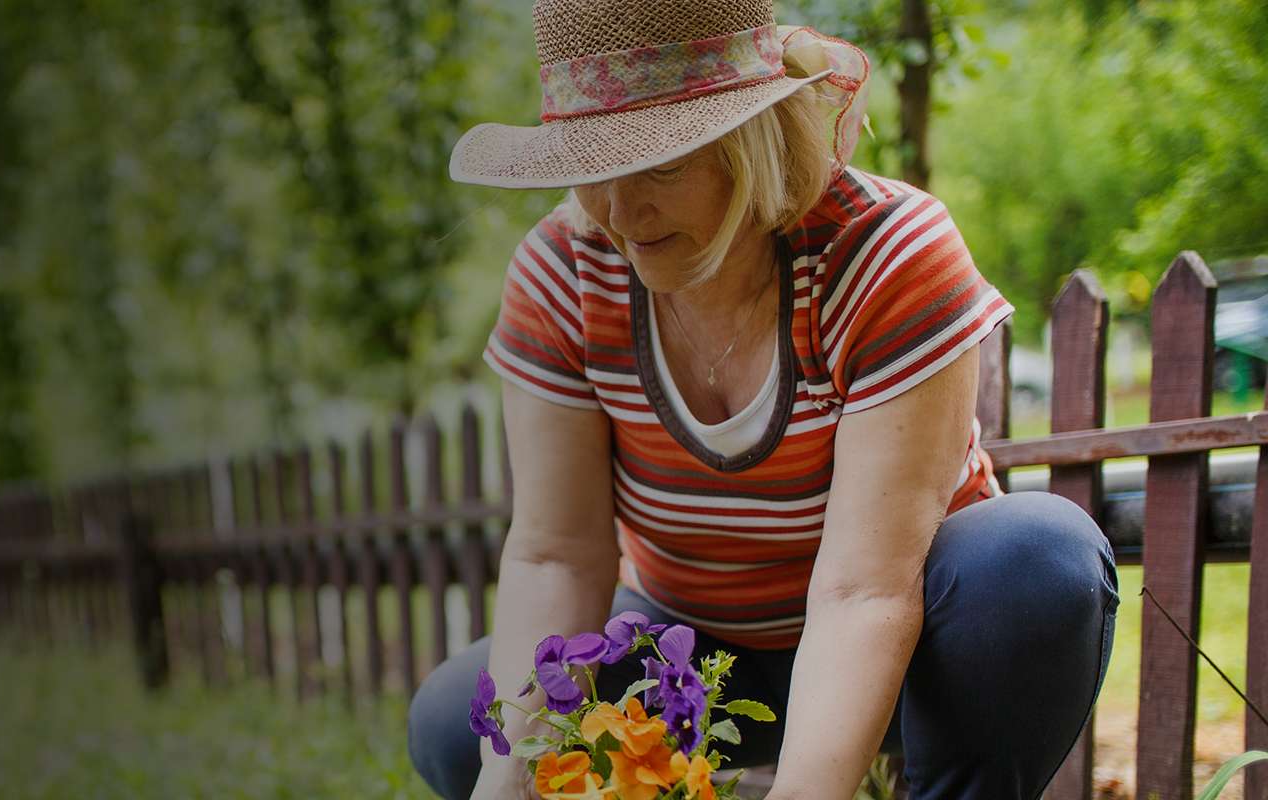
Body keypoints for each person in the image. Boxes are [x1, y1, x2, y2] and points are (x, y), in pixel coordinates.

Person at [407, 1, 1120, 798]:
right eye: (592, 164)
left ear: (752, 139)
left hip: (915, 650)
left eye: (662, 164)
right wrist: (510, 781)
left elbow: (866, 592)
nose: (619, 210)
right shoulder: (563, 274)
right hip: (699, 665)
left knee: (1038, 559)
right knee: (457, 727)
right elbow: (557, 552)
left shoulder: (887, 256)